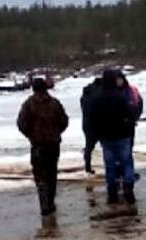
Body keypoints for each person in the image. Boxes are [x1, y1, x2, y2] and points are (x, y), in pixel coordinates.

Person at [17, 78, 69, 218]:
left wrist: (31, 135)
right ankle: (50, 203)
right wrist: (56, 132)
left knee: (40, 176)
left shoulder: (29, 104)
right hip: (53, 144)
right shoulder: (54, 103)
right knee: (52, 174)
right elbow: (64, 121)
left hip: (38, 145)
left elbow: (21, 124)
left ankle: (44, 205)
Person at [88, 69, 136, 204]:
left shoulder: (96, 97)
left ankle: (112, 191)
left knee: (110, 165)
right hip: (122, 135)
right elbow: (130, 114)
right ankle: (128, 186)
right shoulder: (120, 96)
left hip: (106, 137)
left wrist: (97, 133)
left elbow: (92, 118)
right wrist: (129, 125)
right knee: (127, 162)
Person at [80, 77, 103, 173]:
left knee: (89, 147)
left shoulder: (85, 95)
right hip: (99, 124)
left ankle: (87, 167)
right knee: (106, 146)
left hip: (87, 124)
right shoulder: (100, 94)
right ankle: (114, 168)